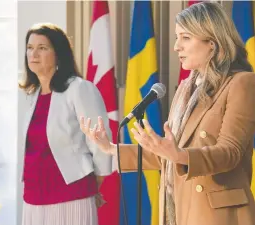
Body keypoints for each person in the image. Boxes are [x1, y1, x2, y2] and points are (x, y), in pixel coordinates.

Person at [80, 2, 255, 225]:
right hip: (178, 211)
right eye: (176, 37)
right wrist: (110, 148)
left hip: (217, 216)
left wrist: (179, 155)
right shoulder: (186, 89)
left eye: (185, 37)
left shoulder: (242, 83)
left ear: (212, 43)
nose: (176, 47)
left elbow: (230, 153)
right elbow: (168, 156)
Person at [18, 23, 112, 225]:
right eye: (30, 48)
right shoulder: (33, 94)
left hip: (71, 194)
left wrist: (96, 182)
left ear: (58, 53)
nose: (33, 53)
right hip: (33, 196)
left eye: (42, 48)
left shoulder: (79, 88)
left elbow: (100, 140)